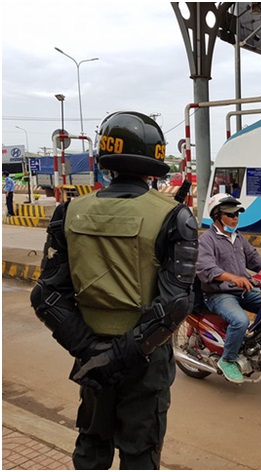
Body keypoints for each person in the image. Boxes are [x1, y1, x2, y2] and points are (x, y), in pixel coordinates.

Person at [31, 111, 199, 469]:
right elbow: (175, 304)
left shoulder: (70, 211)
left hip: (90, 357)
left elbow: (46, 296)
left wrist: (93, 352)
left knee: (92, 448)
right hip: (145, 361)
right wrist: (121, 355)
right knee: (140, 455)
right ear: (155, 158)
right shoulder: (173, 216)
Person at [196, 193, 261, 383]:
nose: (235, 218)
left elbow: (254, 259)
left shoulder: (238, 238)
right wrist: (232, 278)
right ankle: (228, 360)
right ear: (217, 216)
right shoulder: (207, 240)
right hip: (219, 293)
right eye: (230, 214)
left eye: (237, 214)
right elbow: (206, 268)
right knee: (240, 320)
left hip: (243, 290)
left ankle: (255, 344)